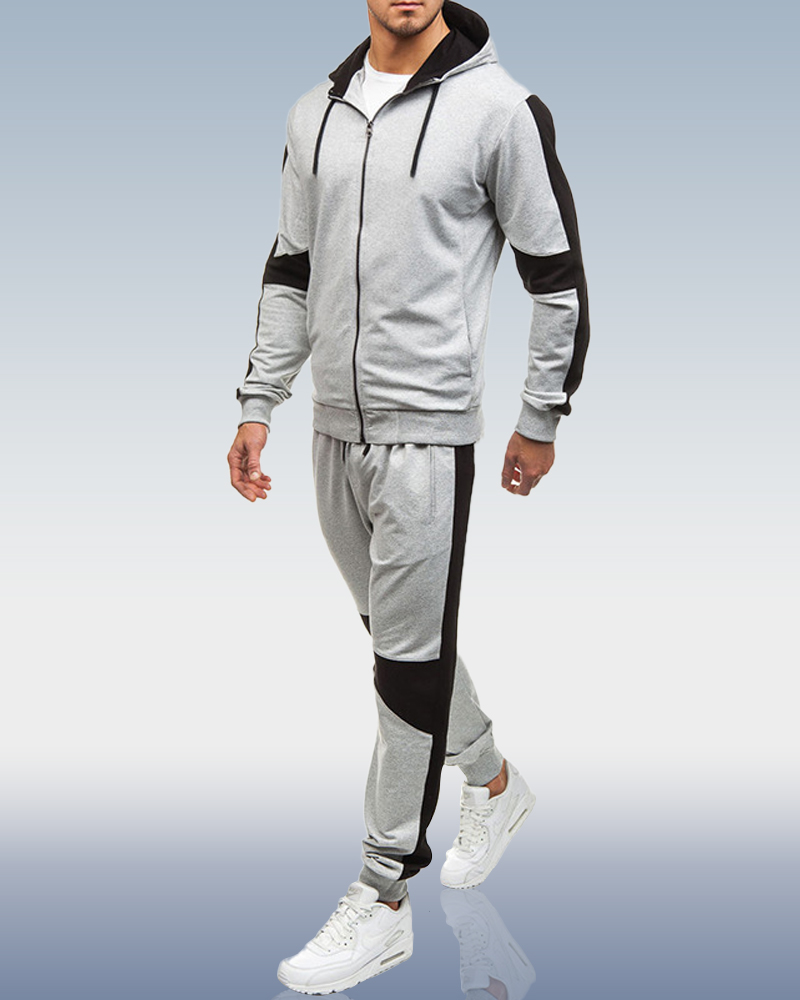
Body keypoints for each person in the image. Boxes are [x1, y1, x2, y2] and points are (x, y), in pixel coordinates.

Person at [227, 1, 589, 994]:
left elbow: (555, 276)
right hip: (330, 432)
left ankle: (384, 894)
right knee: (400, 642)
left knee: (402, 661)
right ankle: (494, 781)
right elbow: (290, 264)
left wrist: (540, 416)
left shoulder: (500, 110)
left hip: (427, 434)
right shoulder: (315, 112)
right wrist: (260, 399)